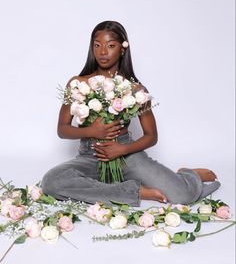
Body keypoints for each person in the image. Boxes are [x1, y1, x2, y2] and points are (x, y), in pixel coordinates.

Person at [42, 20, 220, 206]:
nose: (102, 52)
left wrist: (122, 149)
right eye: (97, 45)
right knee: (51, 182)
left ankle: (185, 175)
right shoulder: (78, 83)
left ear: (122, 49)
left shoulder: (135, 89)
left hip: (127, 156)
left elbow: (151, 136)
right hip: (89, 157)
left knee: (183, 196)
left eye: (110, 45)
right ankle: (136, 191)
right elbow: (62, 129)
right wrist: (92, 131)